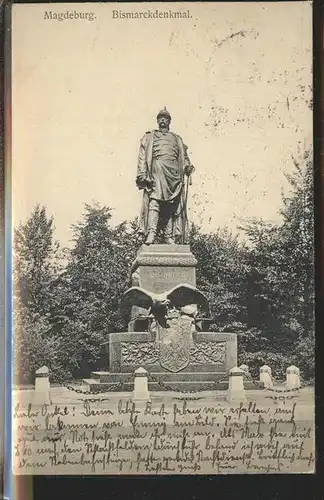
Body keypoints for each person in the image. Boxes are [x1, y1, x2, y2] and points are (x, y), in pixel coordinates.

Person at [136, 107, 195, 245]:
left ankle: (169, 236)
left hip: (174, 175)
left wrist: (187, 166)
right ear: (157, 121)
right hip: (156, 171)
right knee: (154, 202)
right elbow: (142, 157)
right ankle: (151, 232)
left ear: (169, 121)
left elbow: (184, 157)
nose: (163, 120)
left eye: (166, 118)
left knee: (170, 206)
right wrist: (142, 174)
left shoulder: (177, 139)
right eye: (160, 118)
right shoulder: (149, 137)